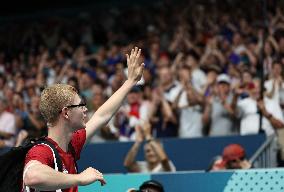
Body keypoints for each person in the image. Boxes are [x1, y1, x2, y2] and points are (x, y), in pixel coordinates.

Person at [22, 47, 145, 192]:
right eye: (81, 105)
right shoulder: (42, 150)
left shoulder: (72, 144)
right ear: (66, 113)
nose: (85, 109)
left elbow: (102, 116)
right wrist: (80, 178)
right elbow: (32, 176)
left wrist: (130, 82)